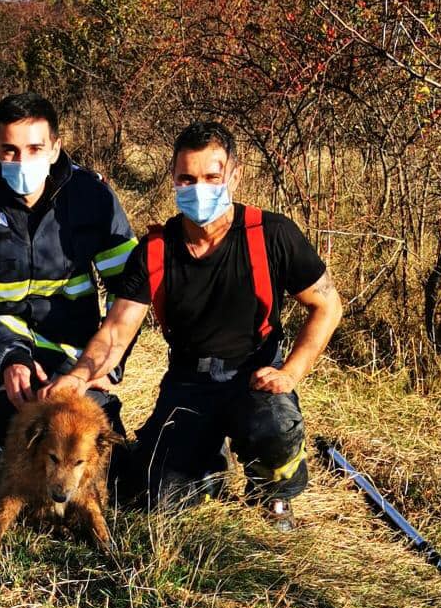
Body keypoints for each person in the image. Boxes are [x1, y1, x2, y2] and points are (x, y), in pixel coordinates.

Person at [45, 121, 343, 529]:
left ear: (234, 176)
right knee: (153, 496)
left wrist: (290, 372)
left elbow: (327, 306)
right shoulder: (154, 250)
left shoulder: (271, 234)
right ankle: (209, 464)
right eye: (187, 178)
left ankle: (271, 493)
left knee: (274, 427)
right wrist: (80, 374)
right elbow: (116, 331)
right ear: (173, 177)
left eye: (211, 177)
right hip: (189, 382)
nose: (198, 188)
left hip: (253, 376)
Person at [0, 91, 138, 452]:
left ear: (55, 148)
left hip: (75, 354)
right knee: (19, 431)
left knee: (104, 458)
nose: (21, 160)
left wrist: (103, 364)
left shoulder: (94, 197)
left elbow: (131, 290)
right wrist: (8, 356)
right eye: (9, 150)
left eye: (34, 149)